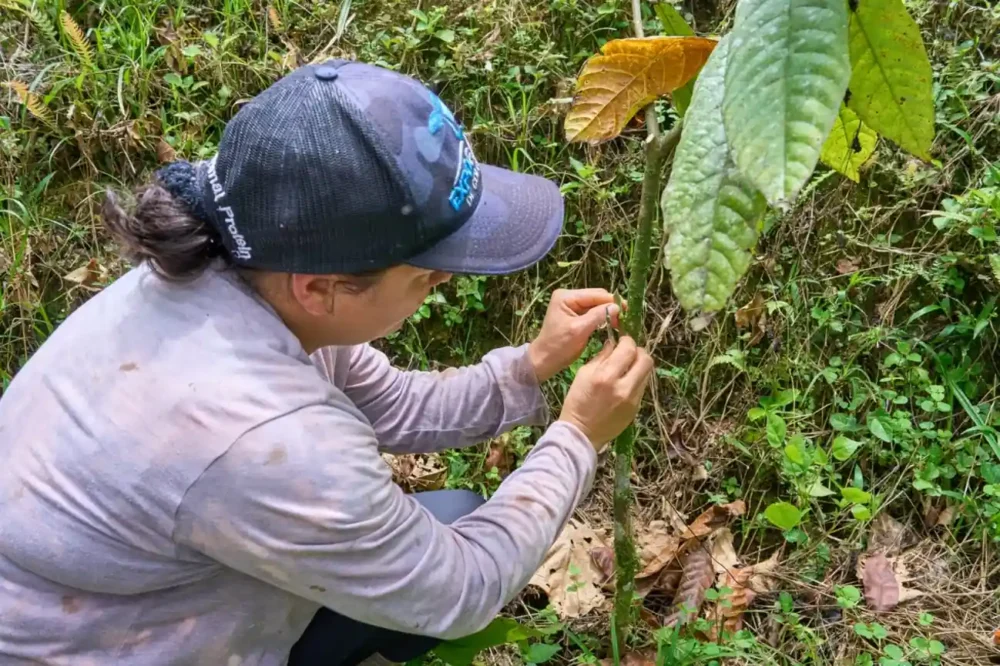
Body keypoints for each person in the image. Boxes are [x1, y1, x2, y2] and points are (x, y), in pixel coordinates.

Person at [0, 59, 654, 665]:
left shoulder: (244, 261)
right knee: (445, 554)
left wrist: (530, 365)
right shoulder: (267, 434)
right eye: (427, 275)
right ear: (320, 288)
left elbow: (396, 405)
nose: (445, 282)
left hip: (154, 585)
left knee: (454, 511)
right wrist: (577, 437)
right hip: (99, 646)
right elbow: (461, 591)